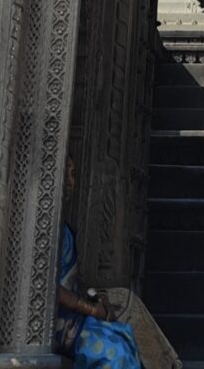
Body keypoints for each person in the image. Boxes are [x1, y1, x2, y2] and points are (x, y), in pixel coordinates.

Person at [56, 154, 142, 369]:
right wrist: (90, 309)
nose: (70, 182)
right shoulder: (42, 229)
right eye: (65, 174)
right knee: (116, 354)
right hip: (51, 322)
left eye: (73, 175)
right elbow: (43, 284)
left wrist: (96, 301)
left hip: (73, 316)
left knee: (125, 337)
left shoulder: (64, 229)